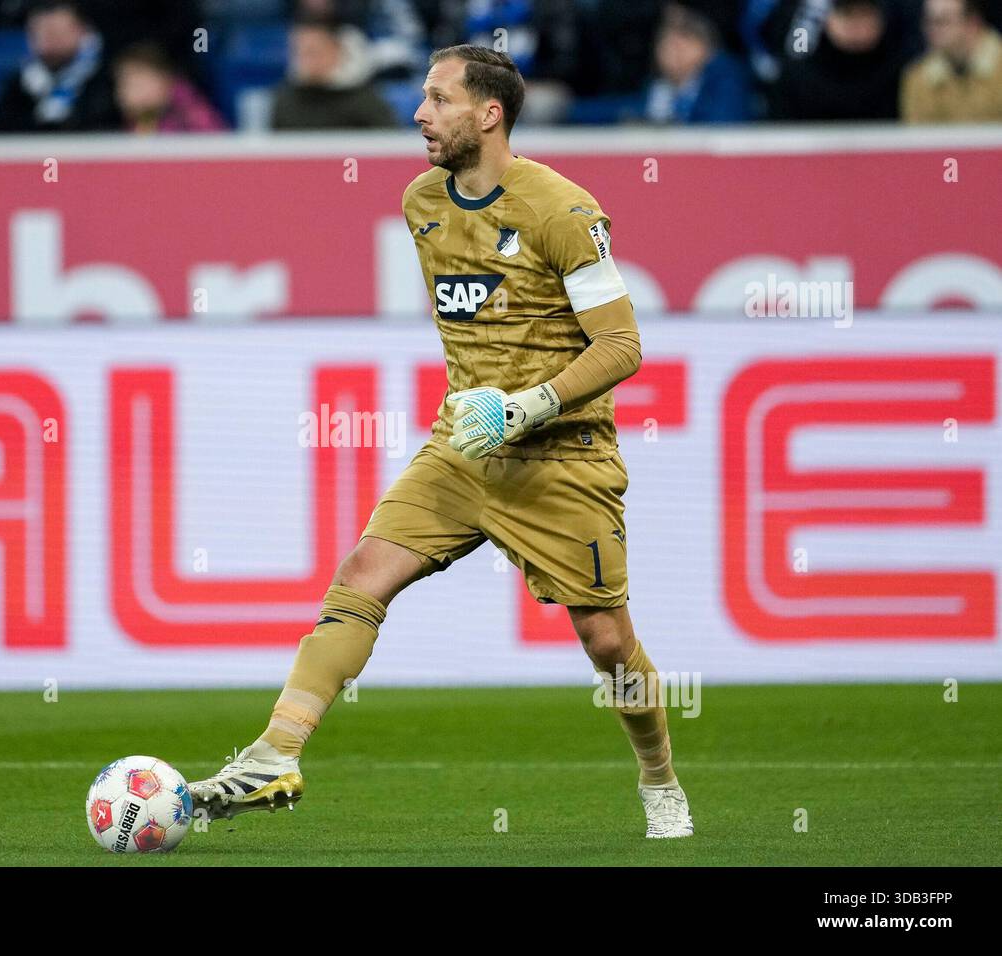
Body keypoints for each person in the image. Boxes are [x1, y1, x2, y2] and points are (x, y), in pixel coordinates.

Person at [191, 45, 694, 840]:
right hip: (461, 449)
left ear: (488, 114)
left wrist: (528, 405)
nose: (418, 114)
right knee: (362, 573)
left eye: (437, 98)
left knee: (606, 640)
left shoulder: (565, 212)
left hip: (561, 460)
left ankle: (660, 780)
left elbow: (623, 346)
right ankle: (273, 753)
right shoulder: (421, 201)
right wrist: (481, 411)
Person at [570, 4, 754, 124]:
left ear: (708, 47)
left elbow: (724, 123)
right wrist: (566, 108)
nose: (674, 48)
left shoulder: (725, 76)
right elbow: (623, 108)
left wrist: (671, 122)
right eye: (666, 39)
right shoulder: (660, 89)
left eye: (685, 38)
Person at [0, 0, 113, 133]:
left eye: (58, 32)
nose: (50, 39)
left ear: (81, 31)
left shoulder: (104, 78)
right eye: (41, 32)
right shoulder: (18, 85)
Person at [774, 0, 910, 119]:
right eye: (847, 14)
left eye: (865, 14)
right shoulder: (799, 77)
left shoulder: (903, 74)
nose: (856, 26)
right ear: (828, 19)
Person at [270, 16, 398, 129]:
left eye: (313, 51)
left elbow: (388, 147)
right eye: (298, 52)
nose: (305, 60)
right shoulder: (284, 101)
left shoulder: (366, 101)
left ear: (337, 51)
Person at [902, 0, 1002, 121]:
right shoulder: (917, 78)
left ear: (972, 23)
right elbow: (917, 137)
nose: (932, 30)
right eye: (928, 21)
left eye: (942, 21)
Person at [112, 43, 224, 134]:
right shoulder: (142, 123)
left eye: (137, 84)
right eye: (123, 85)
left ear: (165, 80)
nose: (125, 93)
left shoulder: (193, 116)